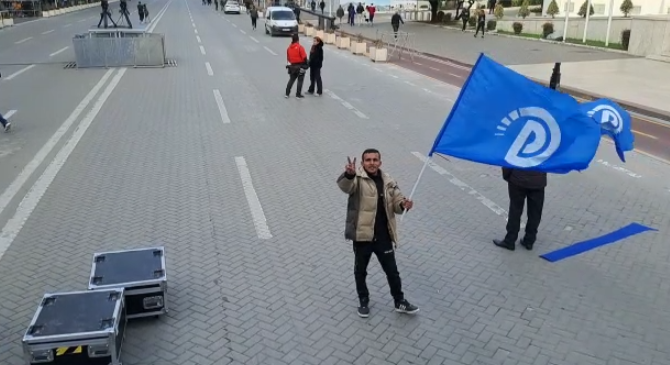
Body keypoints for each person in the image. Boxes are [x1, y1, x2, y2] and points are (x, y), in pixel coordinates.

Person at [337, 149, 419, 318]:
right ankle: (363, 301)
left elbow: (396, 203)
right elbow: (345, 187)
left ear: (380, 162)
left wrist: (404, 204)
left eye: (375, 160)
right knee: (360, 271)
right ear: (362, 163)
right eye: (368, 160)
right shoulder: (357, 179)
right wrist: (348, 174)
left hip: (383, 236)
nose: (372, 163)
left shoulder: (388, 180)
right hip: (362, 236)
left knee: (392, 272)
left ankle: (400, 301)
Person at [493, 168, 547, 251]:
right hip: (538, 182)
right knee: (535, 213)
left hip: (518, 179)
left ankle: (510, 240)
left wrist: (508, 176)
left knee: (515, 210)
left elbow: (508, 159)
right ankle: (529, 240)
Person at [285, 33, 308, 99]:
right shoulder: (300, 47)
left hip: (292, 67)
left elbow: (288, 58)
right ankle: (298, 95)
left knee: (291, 80)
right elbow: (304, 57)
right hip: (300, 66)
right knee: (300, 80)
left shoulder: (289, 48)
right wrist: (305, 65)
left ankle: (287, 93)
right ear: (298, 40)